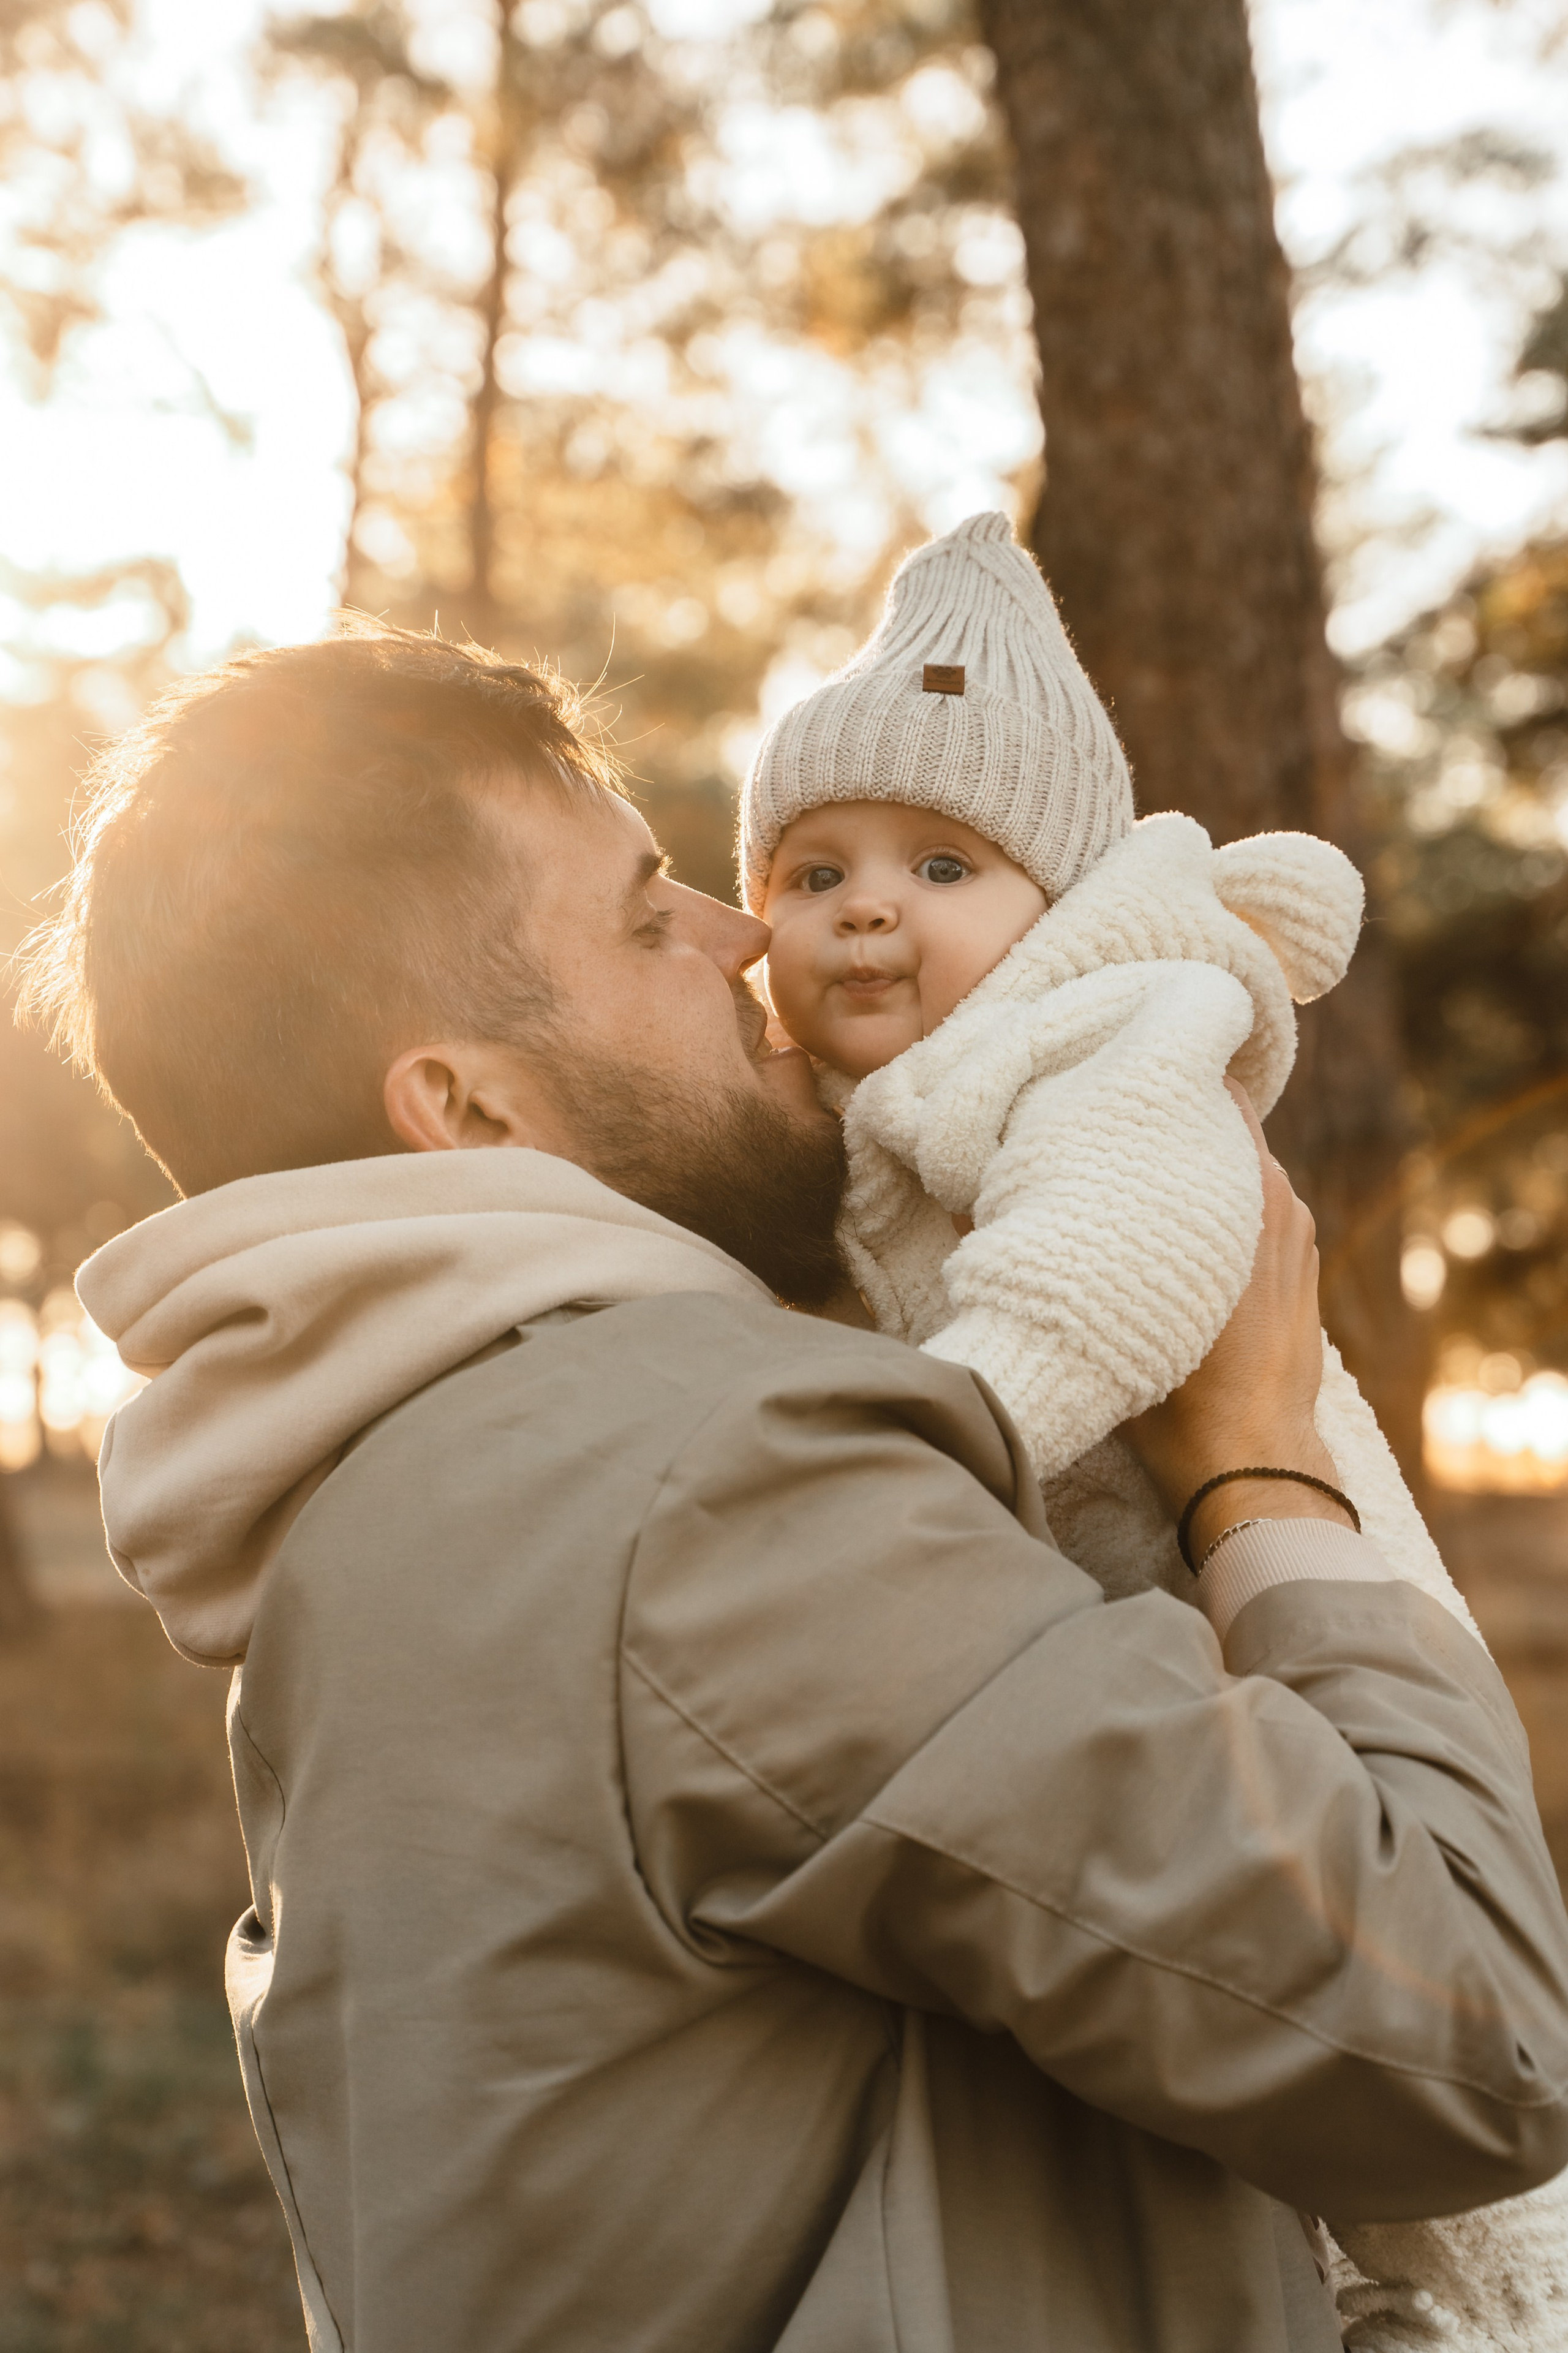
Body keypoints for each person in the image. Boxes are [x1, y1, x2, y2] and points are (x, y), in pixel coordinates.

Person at [17, 622, 1568, 2353]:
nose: (744, 934)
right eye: (644, 911)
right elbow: (1470, 2031)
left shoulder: (367, 1511)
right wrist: (1262, 1464)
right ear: (463, 1103)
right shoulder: (707, 1485)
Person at [742, 510, 1568, 2340]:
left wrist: (933, 1442)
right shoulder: (870, 1121)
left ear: (1054, 899)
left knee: (1421, 2068)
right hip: (1151, 1656)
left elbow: (1138, 1246)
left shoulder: (1121, 1023)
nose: (866, 904)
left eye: (942, 858)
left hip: (1300, 1606)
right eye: (812, 871)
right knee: (1265, 2054)